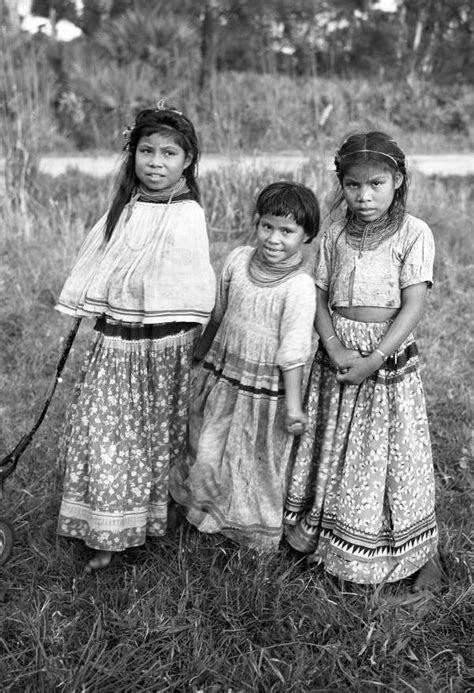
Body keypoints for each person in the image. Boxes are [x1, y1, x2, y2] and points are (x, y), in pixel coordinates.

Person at [55, 103, 216, 572]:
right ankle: (104, 526)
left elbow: (186, 288)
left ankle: (130, 525)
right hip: (115, 342)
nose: (156, 162)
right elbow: (102, 270)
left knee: (145, 438)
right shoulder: (122, 211)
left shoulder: (185, 215)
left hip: (161, 347)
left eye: (169, 153)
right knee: (103, 431)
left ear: (187, 161)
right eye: (147, 150)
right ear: (133, 155)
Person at [284, 132, 443, 590]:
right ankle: (324, 535)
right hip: (337, 354)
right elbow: (316, 294)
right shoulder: (334, 234)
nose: (364, 195)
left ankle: (405, 549)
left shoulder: (414, 233)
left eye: (376, 183)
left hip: (384, 358)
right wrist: (333, 346)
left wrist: (374, 358)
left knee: (386, 452)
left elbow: (413, 305)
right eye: (353, 185)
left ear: (397, 180)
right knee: (332, 443)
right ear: (341, 183)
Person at [169, 182, 320, 551]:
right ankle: (199, 510)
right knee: (204, 444)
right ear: (256, 223)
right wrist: (197, 358)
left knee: (253, 462)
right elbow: (217, 316)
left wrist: (295, 406)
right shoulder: (237, 260)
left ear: (307, 236)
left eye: (287, 231)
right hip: (221, 377)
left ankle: (253, 533)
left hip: (264, 392)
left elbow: (294, 351)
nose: (274, 238)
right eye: (267, 226)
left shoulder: (299, 287)